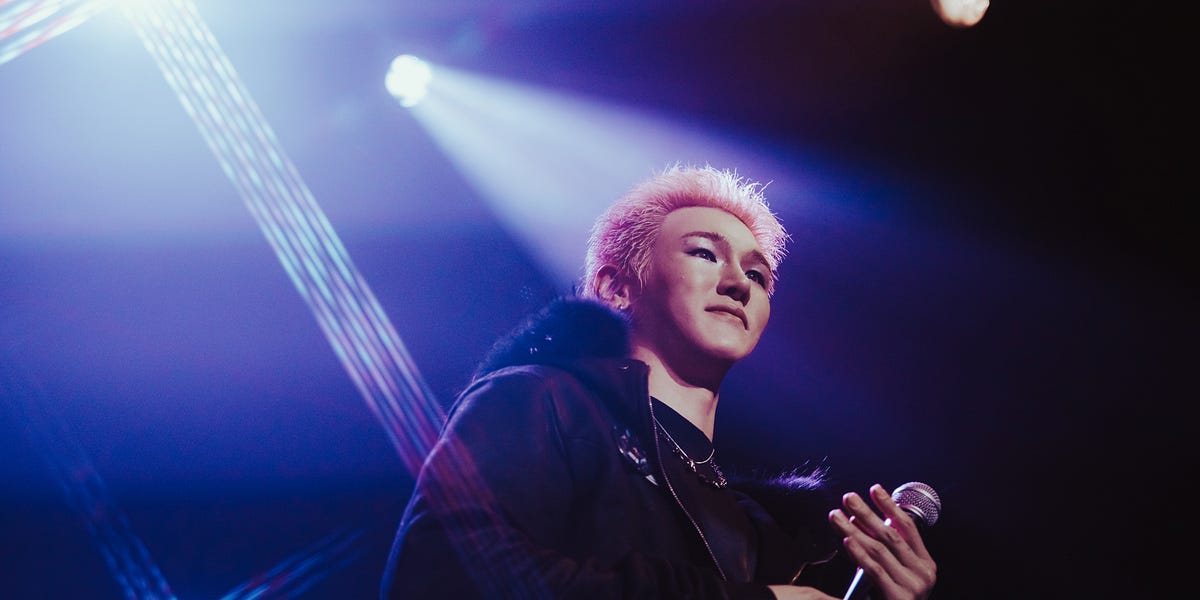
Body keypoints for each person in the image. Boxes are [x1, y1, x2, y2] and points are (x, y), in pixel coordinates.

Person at [380, 164, 936, 599]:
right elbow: (440, 578)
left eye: (758, 274)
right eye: (704, 253)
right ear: (616, 288)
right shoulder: (540, 402)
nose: (739, 283)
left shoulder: (765, 534)